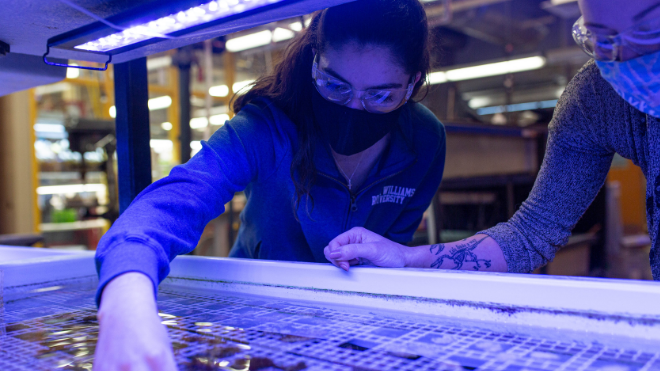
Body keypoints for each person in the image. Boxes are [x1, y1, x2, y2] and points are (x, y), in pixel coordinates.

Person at [93, 1, 446, 369]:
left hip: (353, 325)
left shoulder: (424, 141)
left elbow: (393, 254)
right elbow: (174, 200)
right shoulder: (266, 128)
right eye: (334, 85)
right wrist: (125, 303)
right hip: (254, 323)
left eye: (381, 96)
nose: (353, 107)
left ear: (412, 84)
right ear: (315, 62)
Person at [324, 0, 660, 279]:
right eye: (601, 39)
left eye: (647, 34)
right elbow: (532, 233)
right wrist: (406, 257)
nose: (623, 56)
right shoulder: (596, 98)